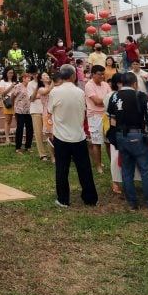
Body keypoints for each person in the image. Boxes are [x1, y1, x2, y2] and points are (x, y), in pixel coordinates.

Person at [107, 73, 148, 215]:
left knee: (126, 171)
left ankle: (133, 204)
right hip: (137, 135)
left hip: (120, 136)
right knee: (146, 170)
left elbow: (112, 119)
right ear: (134, 83)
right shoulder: (139, 95)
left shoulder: (114, 97)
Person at [49, 65, 98, 208]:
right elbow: (83, 110)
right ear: (73, 76)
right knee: (84, 168)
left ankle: (63, 199)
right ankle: (90, 198)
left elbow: (50, 110)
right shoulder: (79, 92)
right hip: (78, 135)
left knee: (62, 169)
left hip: (61, 137)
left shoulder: (55, 92)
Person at [83, 65, 109, 176]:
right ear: (93, 74)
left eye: (103, 74)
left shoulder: (106, 84)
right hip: (94, 116)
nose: (102, 76)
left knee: (109, 141)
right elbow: (97, 101)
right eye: (100, 74)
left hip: (106, 115)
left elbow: (111, 98)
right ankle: (98, 165)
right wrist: (106, 100)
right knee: (96, 142)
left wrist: (106, 101)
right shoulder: (89, 85)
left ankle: (113, 164)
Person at [7, 71, 34, 153]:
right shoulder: (18, 86)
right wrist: (13, 105)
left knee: (30, 128)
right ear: (23, 78)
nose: (29, 79)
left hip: (29, 110)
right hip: (19, 110)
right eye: (27, 78)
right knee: (20, 128)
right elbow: (12, 96)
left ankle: (28, 146)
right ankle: (17, 147)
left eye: (30, 78)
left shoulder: (31, 86)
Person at [38, 71, 55, 162]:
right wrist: (53, 81)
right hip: (47, 113)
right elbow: (47, 91)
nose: (47, 76)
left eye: (47, 75)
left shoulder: (55, 87)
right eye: (44, 75)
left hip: (56, 112)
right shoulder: (41, 89)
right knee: (50, 136)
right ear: (41, 79)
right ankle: (52, 156)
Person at [0, 66, 18, 140]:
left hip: (16, 101)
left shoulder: (15, 81)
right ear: (6, 73)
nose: (11, 74)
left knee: (18, 120)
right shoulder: (2, 81)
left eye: (12, 73)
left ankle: (18, 136)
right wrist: (11, 86)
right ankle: (7, 137)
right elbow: (2, 93)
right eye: (9, 73)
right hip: (8, 101)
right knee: (8, 120)